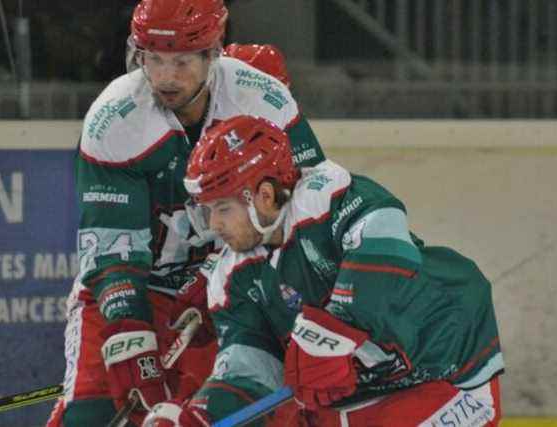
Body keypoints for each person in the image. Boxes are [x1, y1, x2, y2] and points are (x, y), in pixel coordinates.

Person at [46, 0, 326, 425]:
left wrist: (226, 269)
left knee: (223, 412)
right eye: (153, 60)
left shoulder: (263, 99)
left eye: (181, 62)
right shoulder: (114, 119)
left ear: (212, 53)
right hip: (142, 285)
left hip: (235, 287)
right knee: (92, 415)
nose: (165, 77)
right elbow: (111, 248)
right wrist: (128, 335)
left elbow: (306, 211)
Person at [143, 116, 505, 426]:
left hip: (447, 369)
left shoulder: (324, 195)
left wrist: (334, 329)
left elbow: (386, 245)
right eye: (206, 210)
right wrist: (200, 416)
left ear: (265, 196)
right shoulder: (231, 276)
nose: (213, 225)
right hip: (366, 394)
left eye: (222, 208)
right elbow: (249, 369)